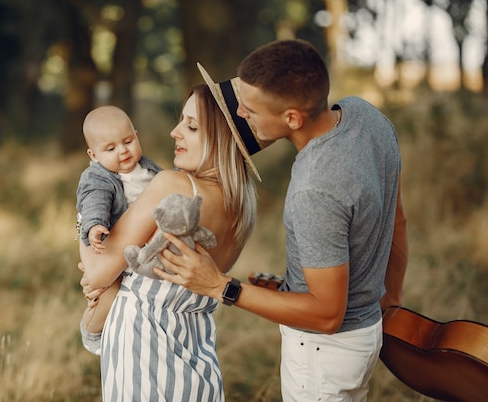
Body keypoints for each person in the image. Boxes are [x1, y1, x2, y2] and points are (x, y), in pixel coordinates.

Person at [157, 40, 409, 402]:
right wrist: (391, 299)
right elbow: (396, 221)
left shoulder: (314, 188)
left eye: (250, 109)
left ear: (292, 117)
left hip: (324, 354)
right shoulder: (367, 117)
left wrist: (219, 286)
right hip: (365, 333)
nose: (239, 114)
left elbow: (327, 315)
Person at [79, 82, 271, 401]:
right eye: (182, 120)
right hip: (196, 347)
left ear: (221, 138)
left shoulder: (172, 185)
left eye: (191, 126)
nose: (174, 131)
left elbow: (97, 273)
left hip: (141, 346)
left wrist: (83, 217)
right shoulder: (241, 206)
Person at [76, 105, 161, 355]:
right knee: (107, 291)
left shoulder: (148, 168)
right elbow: (93, 200)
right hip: (111, 244)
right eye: (111, 148)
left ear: (136, 135)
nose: (123, 151)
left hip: (141, 246)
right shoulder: (99, 178)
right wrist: (94, 224)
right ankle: (92, 331)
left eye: (128, 141)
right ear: (93, 155)